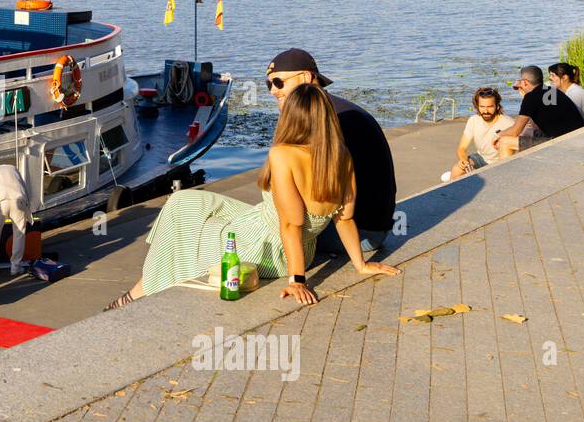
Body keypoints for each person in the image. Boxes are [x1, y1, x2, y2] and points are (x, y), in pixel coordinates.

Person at [106, 83, 399, 310]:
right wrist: (360, 264)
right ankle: (141, 288)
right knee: (184, 201)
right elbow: (344, 219)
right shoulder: (341, 157)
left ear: (293, 118)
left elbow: (291, 224)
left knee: (183, 228)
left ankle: (137, 293)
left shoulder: (283, 154)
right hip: (294, 246)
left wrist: (297, 280)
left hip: (264, 247)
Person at [266, 48, 396, 256]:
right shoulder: (339, 110)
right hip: (375, 226)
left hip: (358, 232)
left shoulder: (324, 122)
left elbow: (301, 209)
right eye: (269, 84)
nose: (273, 91)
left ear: (307, 77)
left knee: (264, 226)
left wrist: (297, 279)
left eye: (279, 82)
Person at [495, 65, 584, 157]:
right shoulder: (552, 91)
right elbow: (540, 124)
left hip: (563, 143)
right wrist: (524, 95)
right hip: (579, 137)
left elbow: (515, 131)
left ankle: (504, 171)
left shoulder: (531, 98)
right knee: (530, 132)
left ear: (525, 82)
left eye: (521, 81)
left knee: (504, 142)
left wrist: (497, 135)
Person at [444, 87, 515, 181]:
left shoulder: (508, 123)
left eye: (490, 107)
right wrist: (464, 161)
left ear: (497, 106)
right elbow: (462, 148)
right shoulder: (473, 120)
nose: (485, 111)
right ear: (477, 107)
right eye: (482, 107)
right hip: (481, 158)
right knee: (457, 169)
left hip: (499, 161)